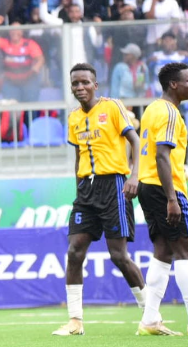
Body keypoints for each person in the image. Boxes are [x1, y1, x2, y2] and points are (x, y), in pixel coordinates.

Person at [52, 62, 146, 336]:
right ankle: (75, 322)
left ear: (95, 85)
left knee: (118, 256)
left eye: (84, 82)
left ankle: (150, 315)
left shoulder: (112, 107)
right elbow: (78, 155)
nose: (80, 87)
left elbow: (135, 141)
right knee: (74, 252)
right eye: (75, 83)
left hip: (115, 184)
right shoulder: (73, 118)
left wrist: (134, 176)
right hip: (86, 190)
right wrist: (78, 185)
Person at [136, 62, 188, 336]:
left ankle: (149, 320)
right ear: (174, 84)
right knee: (184, 251)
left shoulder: (153, 108)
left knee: (163, 251)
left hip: (148, 185)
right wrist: (172, 198)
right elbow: (161, 155)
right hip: (164, 188)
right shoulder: (169, 112)